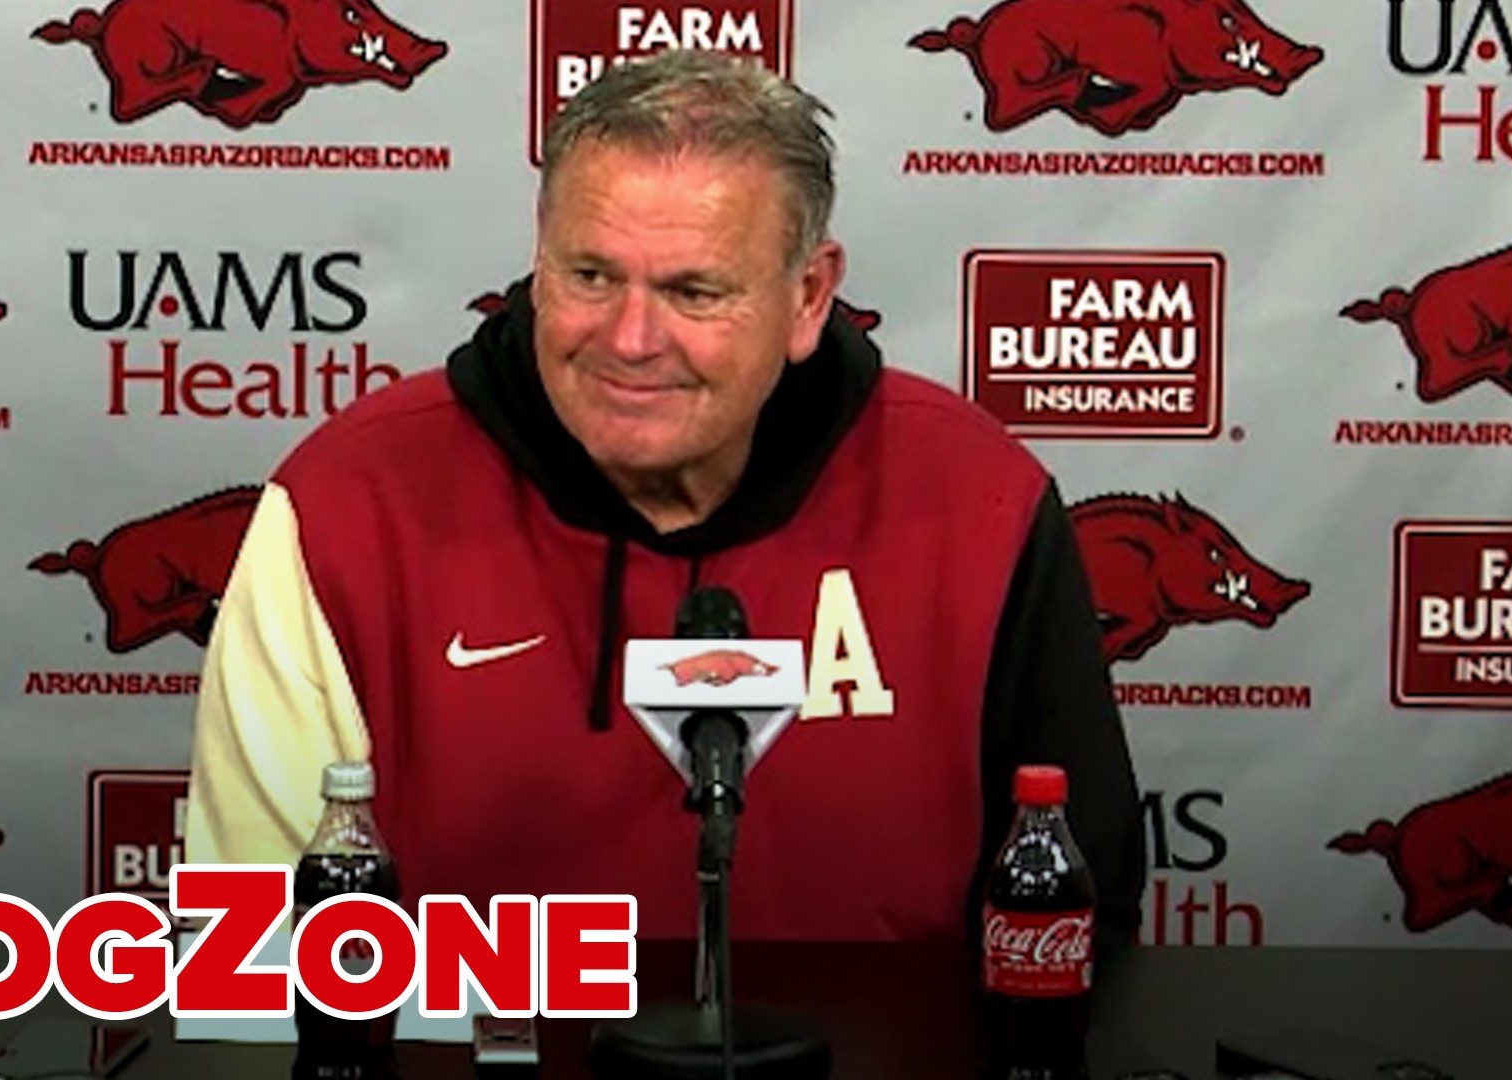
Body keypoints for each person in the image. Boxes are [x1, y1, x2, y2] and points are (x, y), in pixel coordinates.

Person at [185, 50, 1145, 951]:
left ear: (809, 296)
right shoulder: (345, 508)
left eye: (693, 292)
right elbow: (250, 952)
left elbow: (1076, 921)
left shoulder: (980, 503)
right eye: (590, 275)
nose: (631, 338)